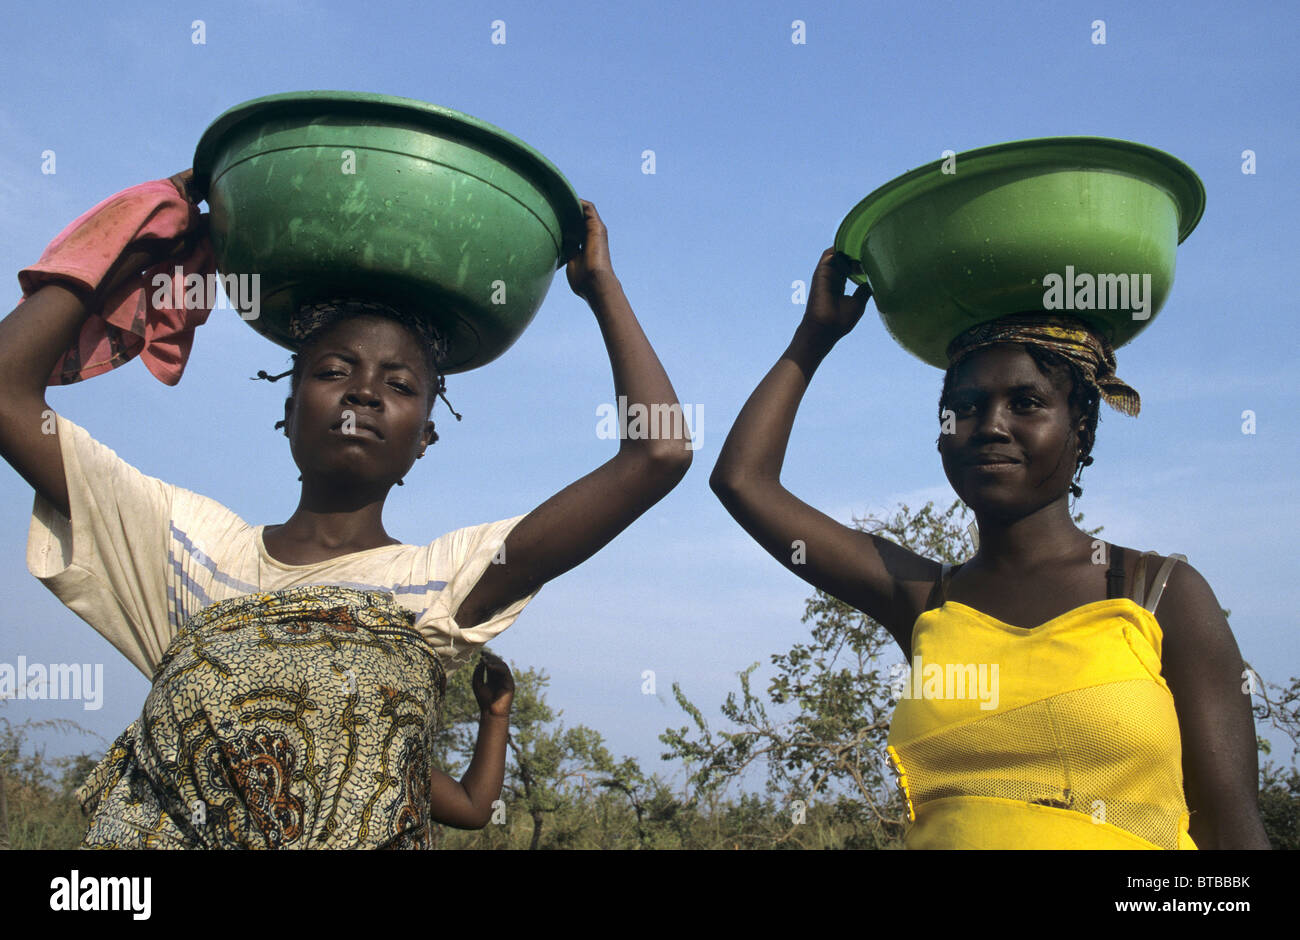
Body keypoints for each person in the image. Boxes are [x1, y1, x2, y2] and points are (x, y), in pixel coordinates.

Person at [0, 170, 693, 849]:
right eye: (333, 372)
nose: (363, 393)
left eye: (398, 384)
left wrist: (602, 287)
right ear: (289, 407)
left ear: (425, 437)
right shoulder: (188, 551)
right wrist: (144, 234)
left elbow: (658, 451)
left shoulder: (440, 584)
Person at [709, 247, 1269, 849]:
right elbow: (743, 480)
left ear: (1081, 427)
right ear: (943, 436)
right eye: (966, 408)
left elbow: (1230, 833)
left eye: (1025, 403)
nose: (991, 424)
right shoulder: (926, 600)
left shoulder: (1158, 593)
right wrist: (814, 335)